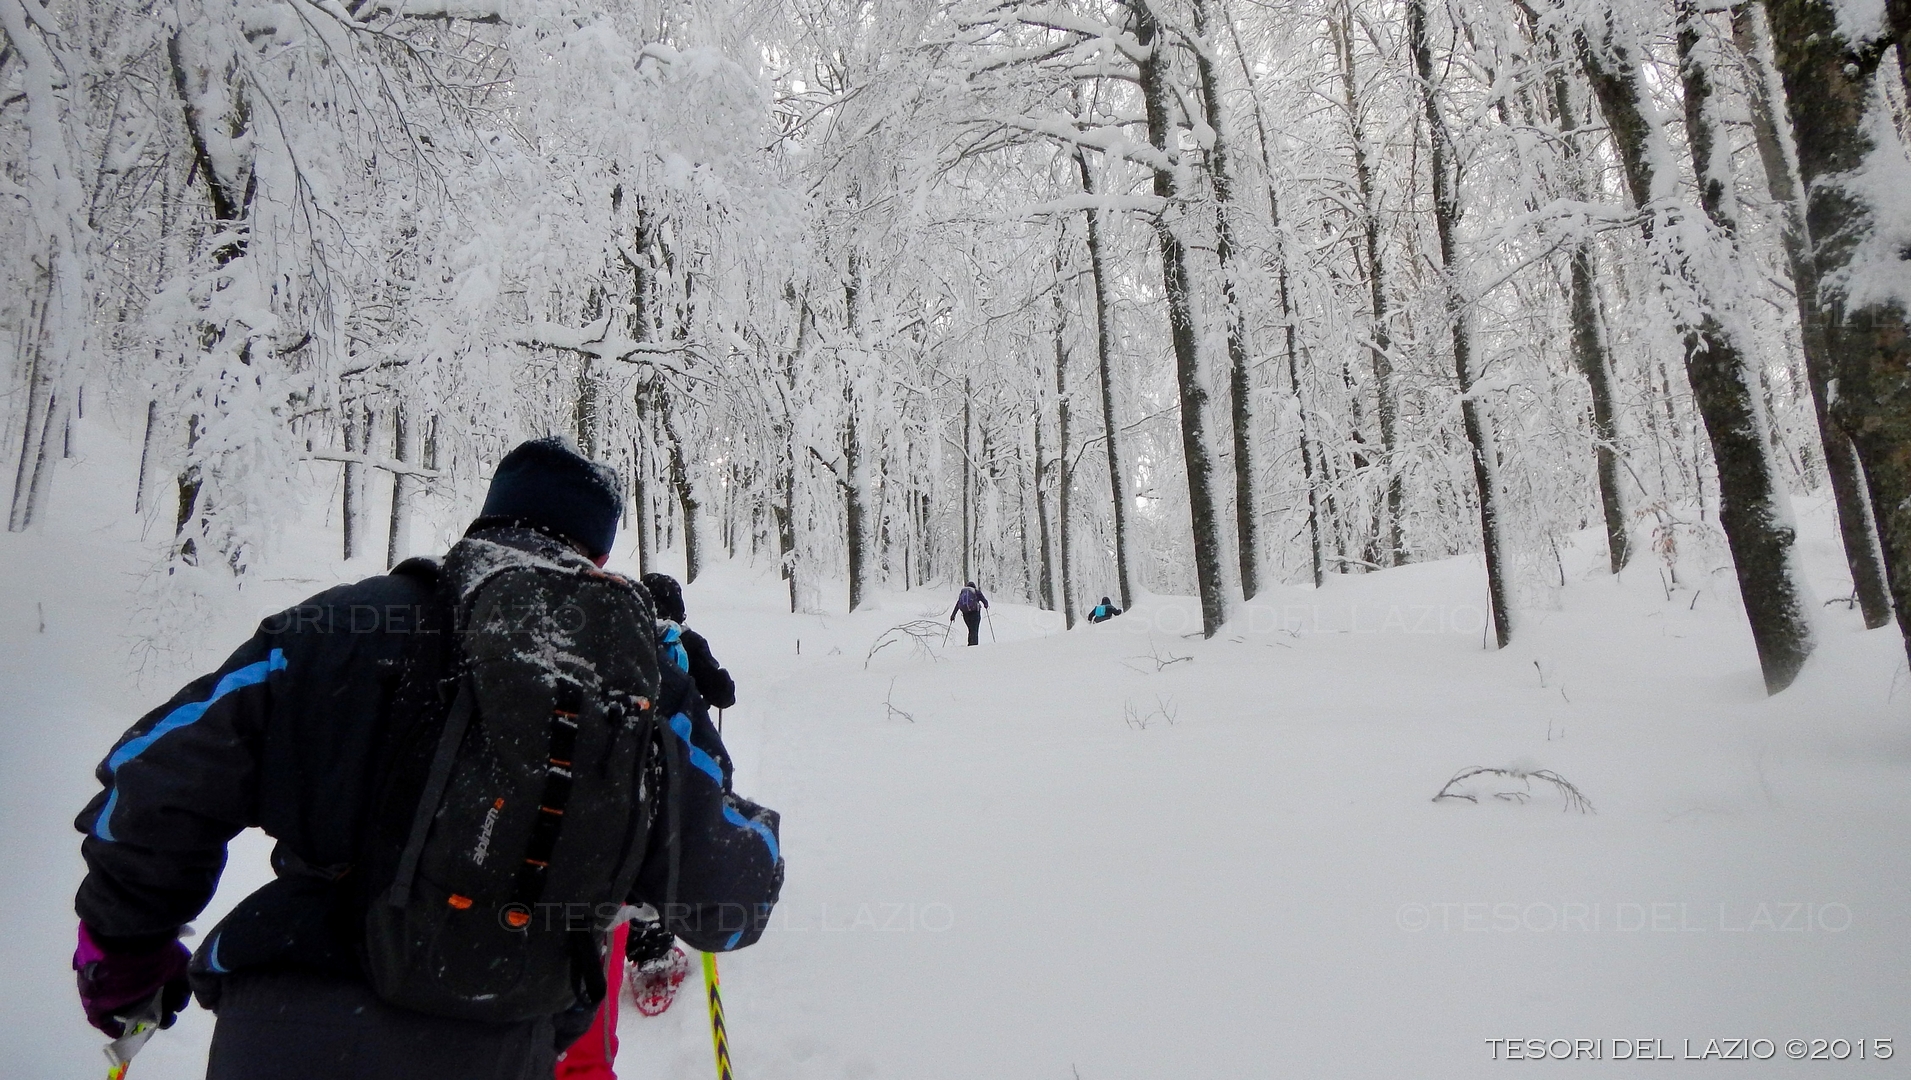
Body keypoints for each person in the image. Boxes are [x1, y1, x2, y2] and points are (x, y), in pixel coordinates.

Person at [72, 437, 783, 1080]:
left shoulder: (341, 625)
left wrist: (127, 956)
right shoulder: (636, 678)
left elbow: (154, 782)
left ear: (483, 522)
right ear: (596, 557)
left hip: (291, 1025)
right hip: (500, 1041)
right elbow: (728, 901)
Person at [639, 572, 736, 710]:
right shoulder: (690, 642)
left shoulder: (629, 636)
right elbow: (722, 696)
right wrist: (723, 679)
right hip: (678, 724)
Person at [949, 581, 989, 646]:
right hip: (975, 613)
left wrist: (953, 615)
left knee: (970, 629)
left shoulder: (963, 593)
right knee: (975, 630)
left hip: (965, 614)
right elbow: (984, 601)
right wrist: (986, 605)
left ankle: (970, 644)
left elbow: (958, 604)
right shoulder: (976, 591)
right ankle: (974, 646)